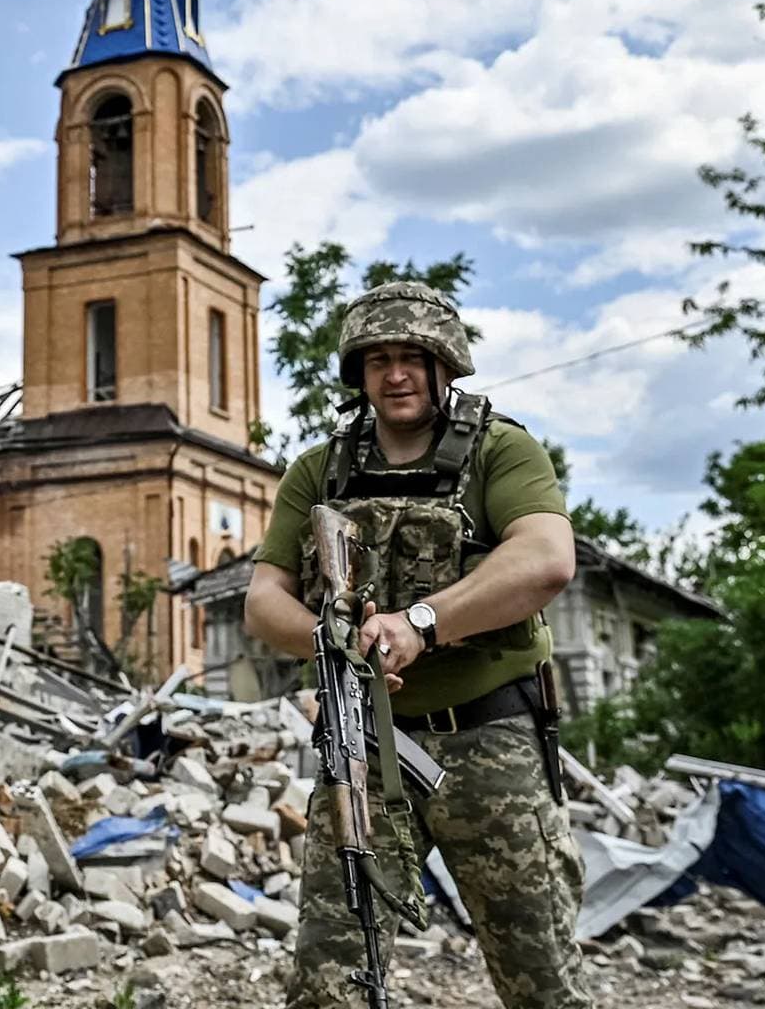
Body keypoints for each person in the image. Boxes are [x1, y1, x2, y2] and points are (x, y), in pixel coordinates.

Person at [243, 282, 593, 1009]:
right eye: (377, 361)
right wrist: (330, 641)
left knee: (541, 977)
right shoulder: (320, 470)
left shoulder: (501, 450)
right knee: (329, 979)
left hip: (490, 742)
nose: (394, 374)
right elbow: (262, 598)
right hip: (367, 744)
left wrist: (420, 622)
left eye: (411, 357)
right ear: (359, 374)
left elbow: (547, 559)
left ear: (446, 366)